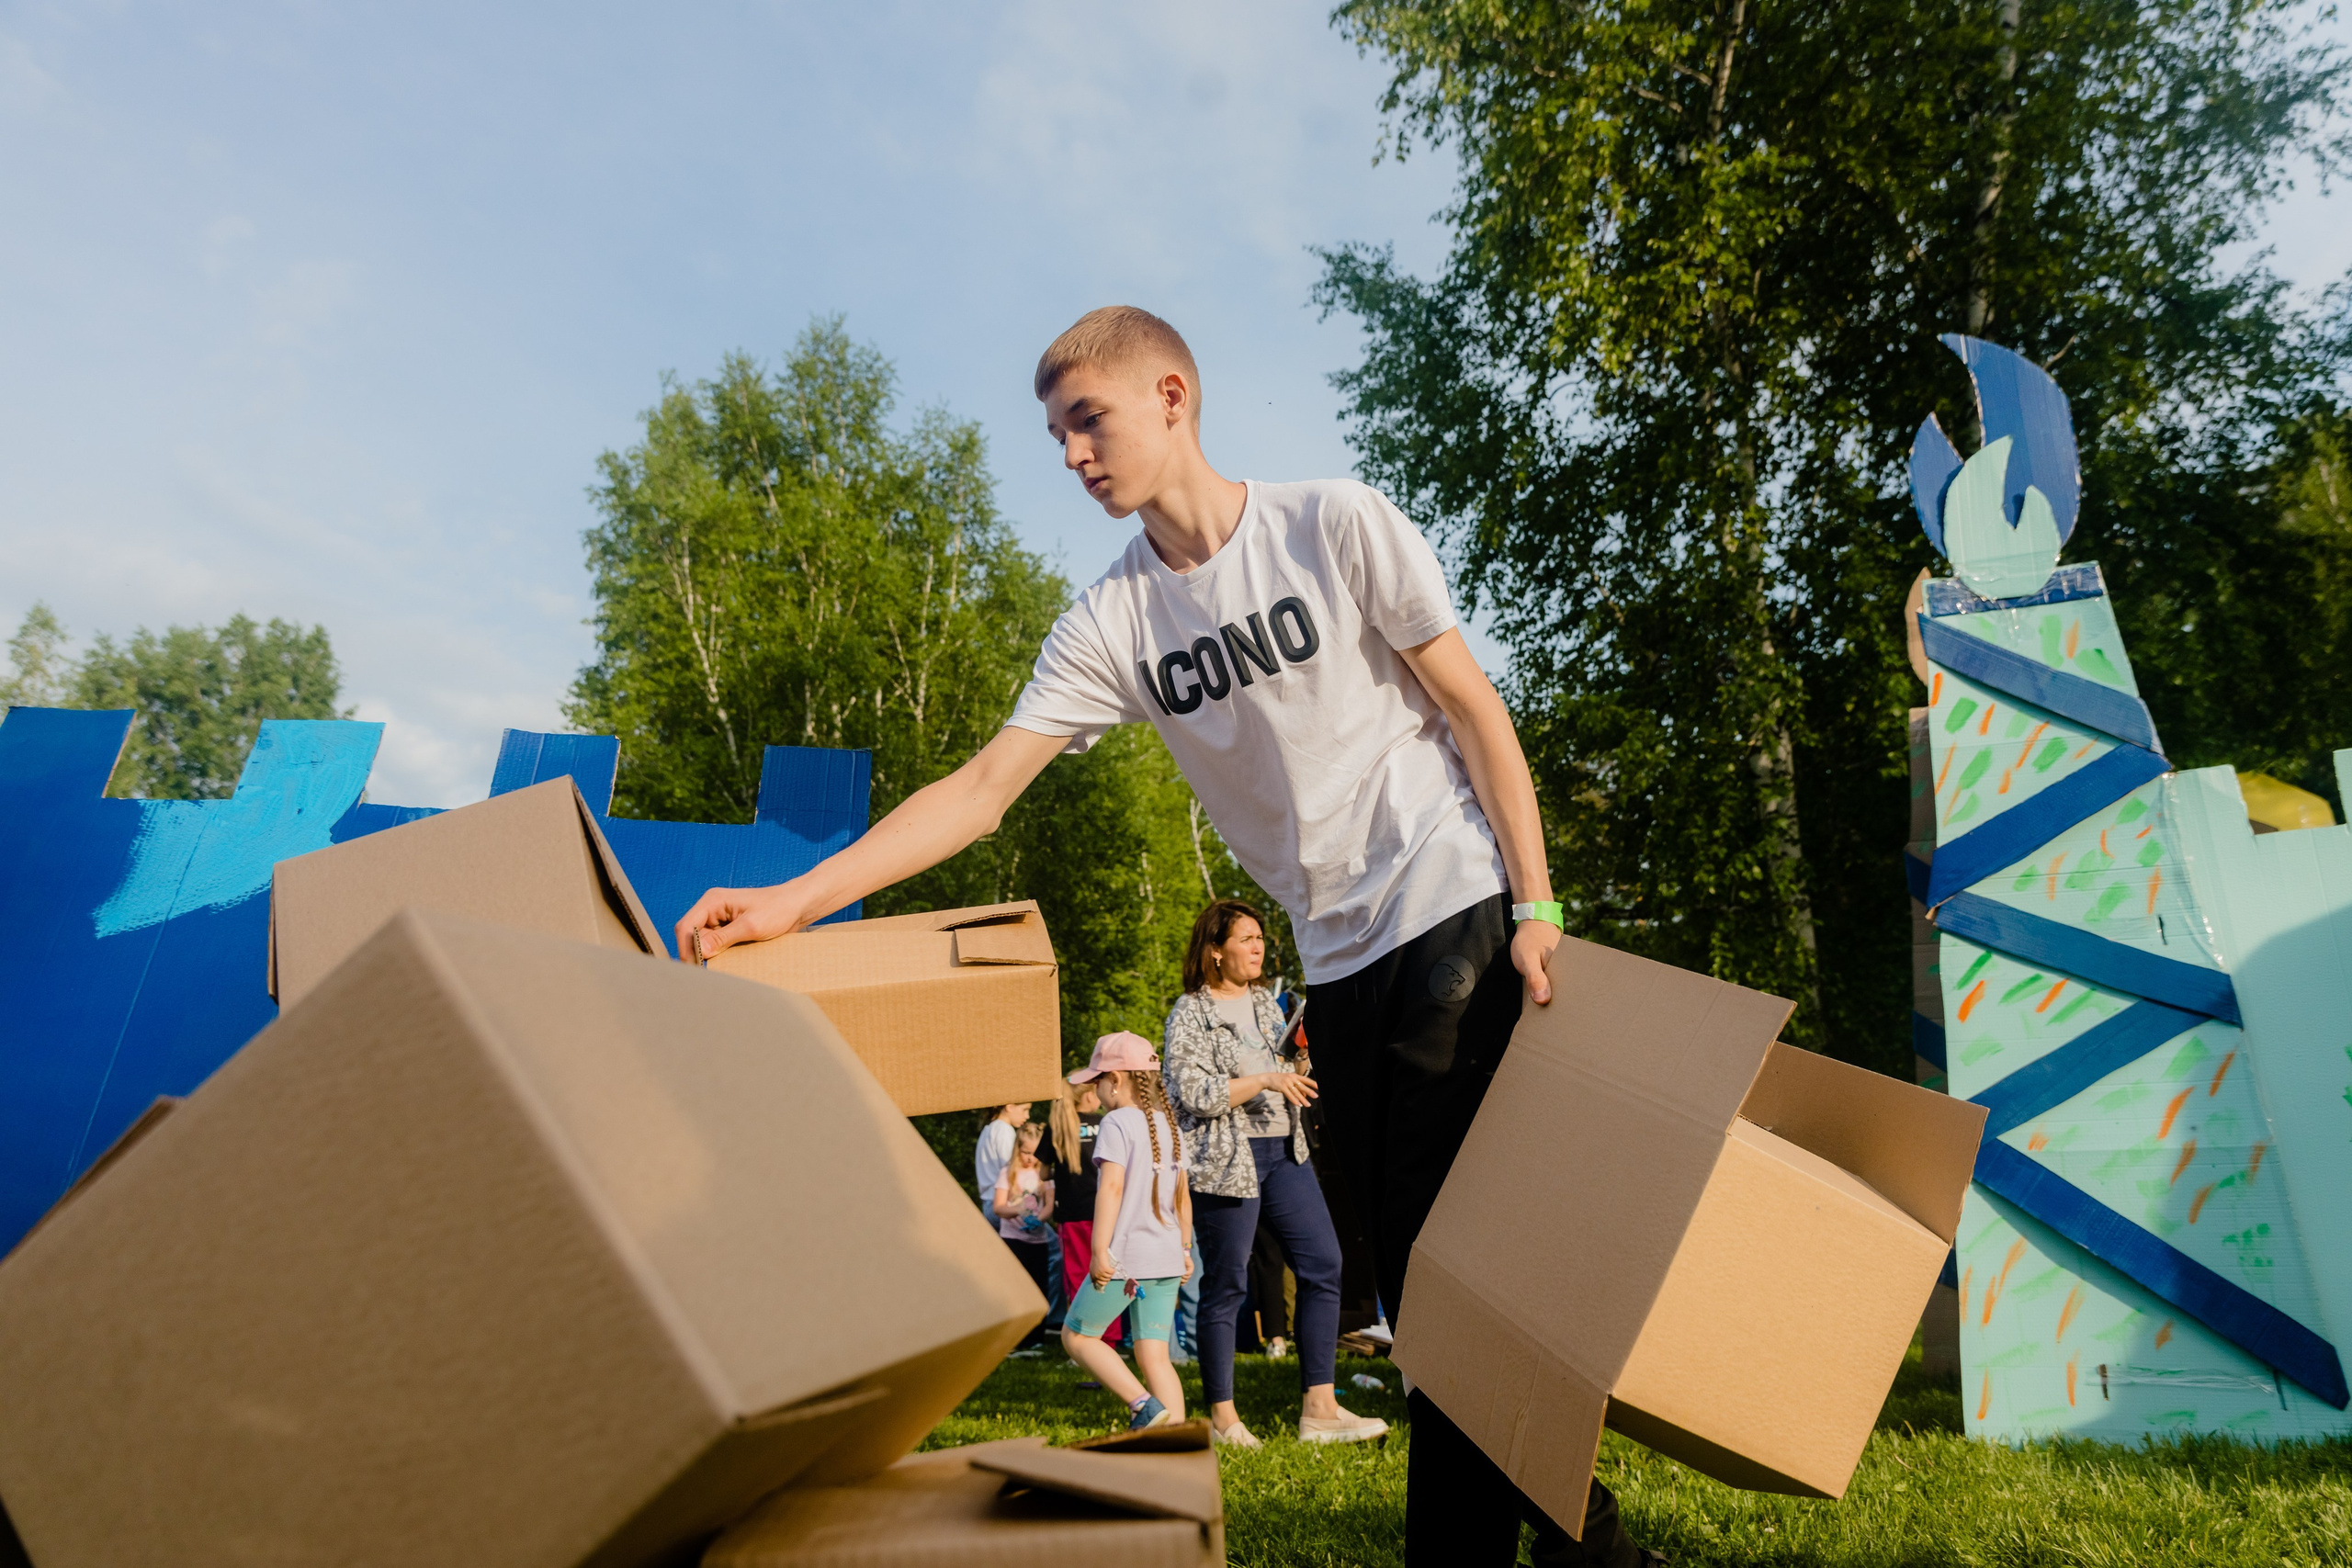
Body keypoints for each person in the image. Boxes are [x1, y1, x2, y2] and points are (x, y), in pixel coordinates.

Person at [676, 306, 1655, 1565]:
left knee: (1444, 1283)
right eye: (1057, 436)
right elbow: (981, 788)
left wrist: (1537, 904)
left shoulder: (1331, 523)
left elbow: (1472, 706)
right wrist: (794, 898)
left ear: (1173, 395)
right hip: (1337, 960)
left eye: (1091, 419)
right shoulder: (1116, 622)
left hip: (1449, 899)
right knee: (1419, 1292)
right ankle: (1605, 1548)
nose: (1074, 454)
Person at [1164, 897, 1381, 1449]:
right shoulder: (1189, 1013)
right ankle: (1223, 1417)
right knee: (1228, 1283)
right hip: (1227, 1163)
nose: (1258, 947)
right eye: (1246, 939)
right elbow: (1190, 1093)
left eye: (1261, 938)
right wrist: (1264, 1080)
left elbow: (1284, 1070)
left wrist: (1300, 1062)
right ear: (1215, 952)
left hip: (1285, 1154)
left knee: (1324, 1263)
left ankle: (1320, 1408)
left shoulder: (1267, 1004)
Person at [1057, 1032, 1193, 1430]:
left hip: (1126, 1260)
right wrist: (1185, 1250)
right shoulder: (1170, 1125)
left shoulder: (1116, 1122)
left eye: (1097, 1080)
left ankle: (1143, 1406)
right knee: (1155, 1354)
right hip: (1168, 1257)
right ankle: (1178, 1438)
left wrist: (1100, 1250)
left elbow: (1111, 1188)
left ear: (1116, 1080)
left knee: (1077, 1337)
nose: (1095, 1090)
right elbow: (1183, 1197)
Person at [1042, 1081, 1123, 1348]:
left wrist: (1063, 1175)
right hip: (1108, 1211)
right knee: (1110, 1274)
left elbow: (1043, 1174)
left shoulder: (1058, 1125)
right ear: (1089, 1094)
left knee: (1078, 1276)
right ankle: (1110, 1340)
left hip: (1073, 1212)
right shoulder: (1106, 1123)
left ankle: (1085, 1340)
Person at [990, 1121, 1055, 1303]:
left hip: (1038, 1240)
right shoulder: (1008, 1172)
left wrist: (1040, 1219)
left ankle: (1039, 1329)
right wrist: (1017, 1210)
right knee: (1015, 1289)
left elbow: (1050, 1203)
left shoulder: (1043, 1173)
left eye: (1035, 1154)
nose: (1030, 1158)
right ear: (1017, 1149)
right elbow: (998, 1207)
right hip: (1013, 1239)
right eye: (1026, 1153)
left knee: (1039, 1289)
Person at [973, 1101, 1027, 1217]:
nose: (1027, 1116)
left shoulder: (988, 1129)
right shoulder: (1005, 1131)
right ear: (1010, 1107)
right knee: (1048, 1235)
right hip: (1003, 1204)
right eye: (1025, 1110)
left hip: (988, 1203)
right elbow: (1012, 1169)